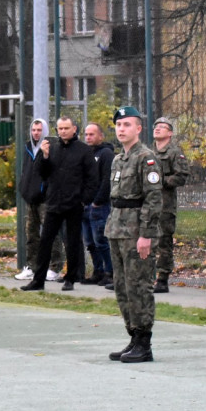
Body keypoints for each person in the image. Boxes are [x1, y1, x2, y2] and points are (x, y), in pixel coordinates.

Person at [106, 106, 162, 363]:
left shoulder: (146, 158)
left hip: (136, 231)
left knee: (139, 286)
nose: (121, 129)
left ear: (138, 128)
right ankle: (132, 336)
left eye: (127, 125)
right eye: (118, 125)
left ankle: (144, 342)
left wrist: (146, 234)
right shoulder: (119, 159)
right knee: (122, 287)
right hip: (117, 228)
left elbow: (153, 199)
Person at [21, 117, 98, 292]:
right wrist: (45, 156)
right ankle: (38, 280)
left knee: (72, 241)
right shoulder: (52, 148)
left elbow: (92, 179)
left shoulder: (83, 150)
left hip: (74, 203)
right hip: (54, 202)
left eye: (66, 128)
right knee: (45, 241)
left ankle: (71, 277)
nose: (63, 131)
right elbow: (42, 172)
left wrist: (83, 199)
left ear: (74, 129)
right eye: (60, 128)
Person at [16, 118, 64, 281]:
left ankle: (55, 267)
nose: (36, 133)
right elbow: (27, 171)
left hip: (46, 198)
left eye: (39, 130)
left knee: (51, 233)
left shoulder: (52, 147)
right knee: (31, 233)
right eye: (33, 130)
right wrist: (24, 188)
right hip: (31, 198)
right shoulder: (28, 147)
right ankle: (32, 266)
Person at [151, 117, 190, 293]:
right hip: (147, 202)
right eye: (156, 127)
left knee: (163, 241)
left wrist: (162, 181)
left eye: (162, 127)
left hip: (165, 204)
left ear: (170, 132)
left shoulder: (174, 152)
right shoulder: (147, 151)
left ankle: (162, 277)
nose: (157, 129)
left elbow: (181, 176)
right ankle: (145, 275)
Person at [81, 122, 114, 287]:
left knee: (101, 240)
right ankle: (98, 271)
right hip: (84, 205)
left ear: (100, 136)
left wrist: (97, 202)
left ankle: (110, 272)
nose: (88, 137)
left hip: (99, 206)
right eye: (86, 134)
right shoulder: (85, 154)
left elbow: (106, 180)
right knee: (90, 243)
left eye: (91, 134)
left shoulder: (106, 153)